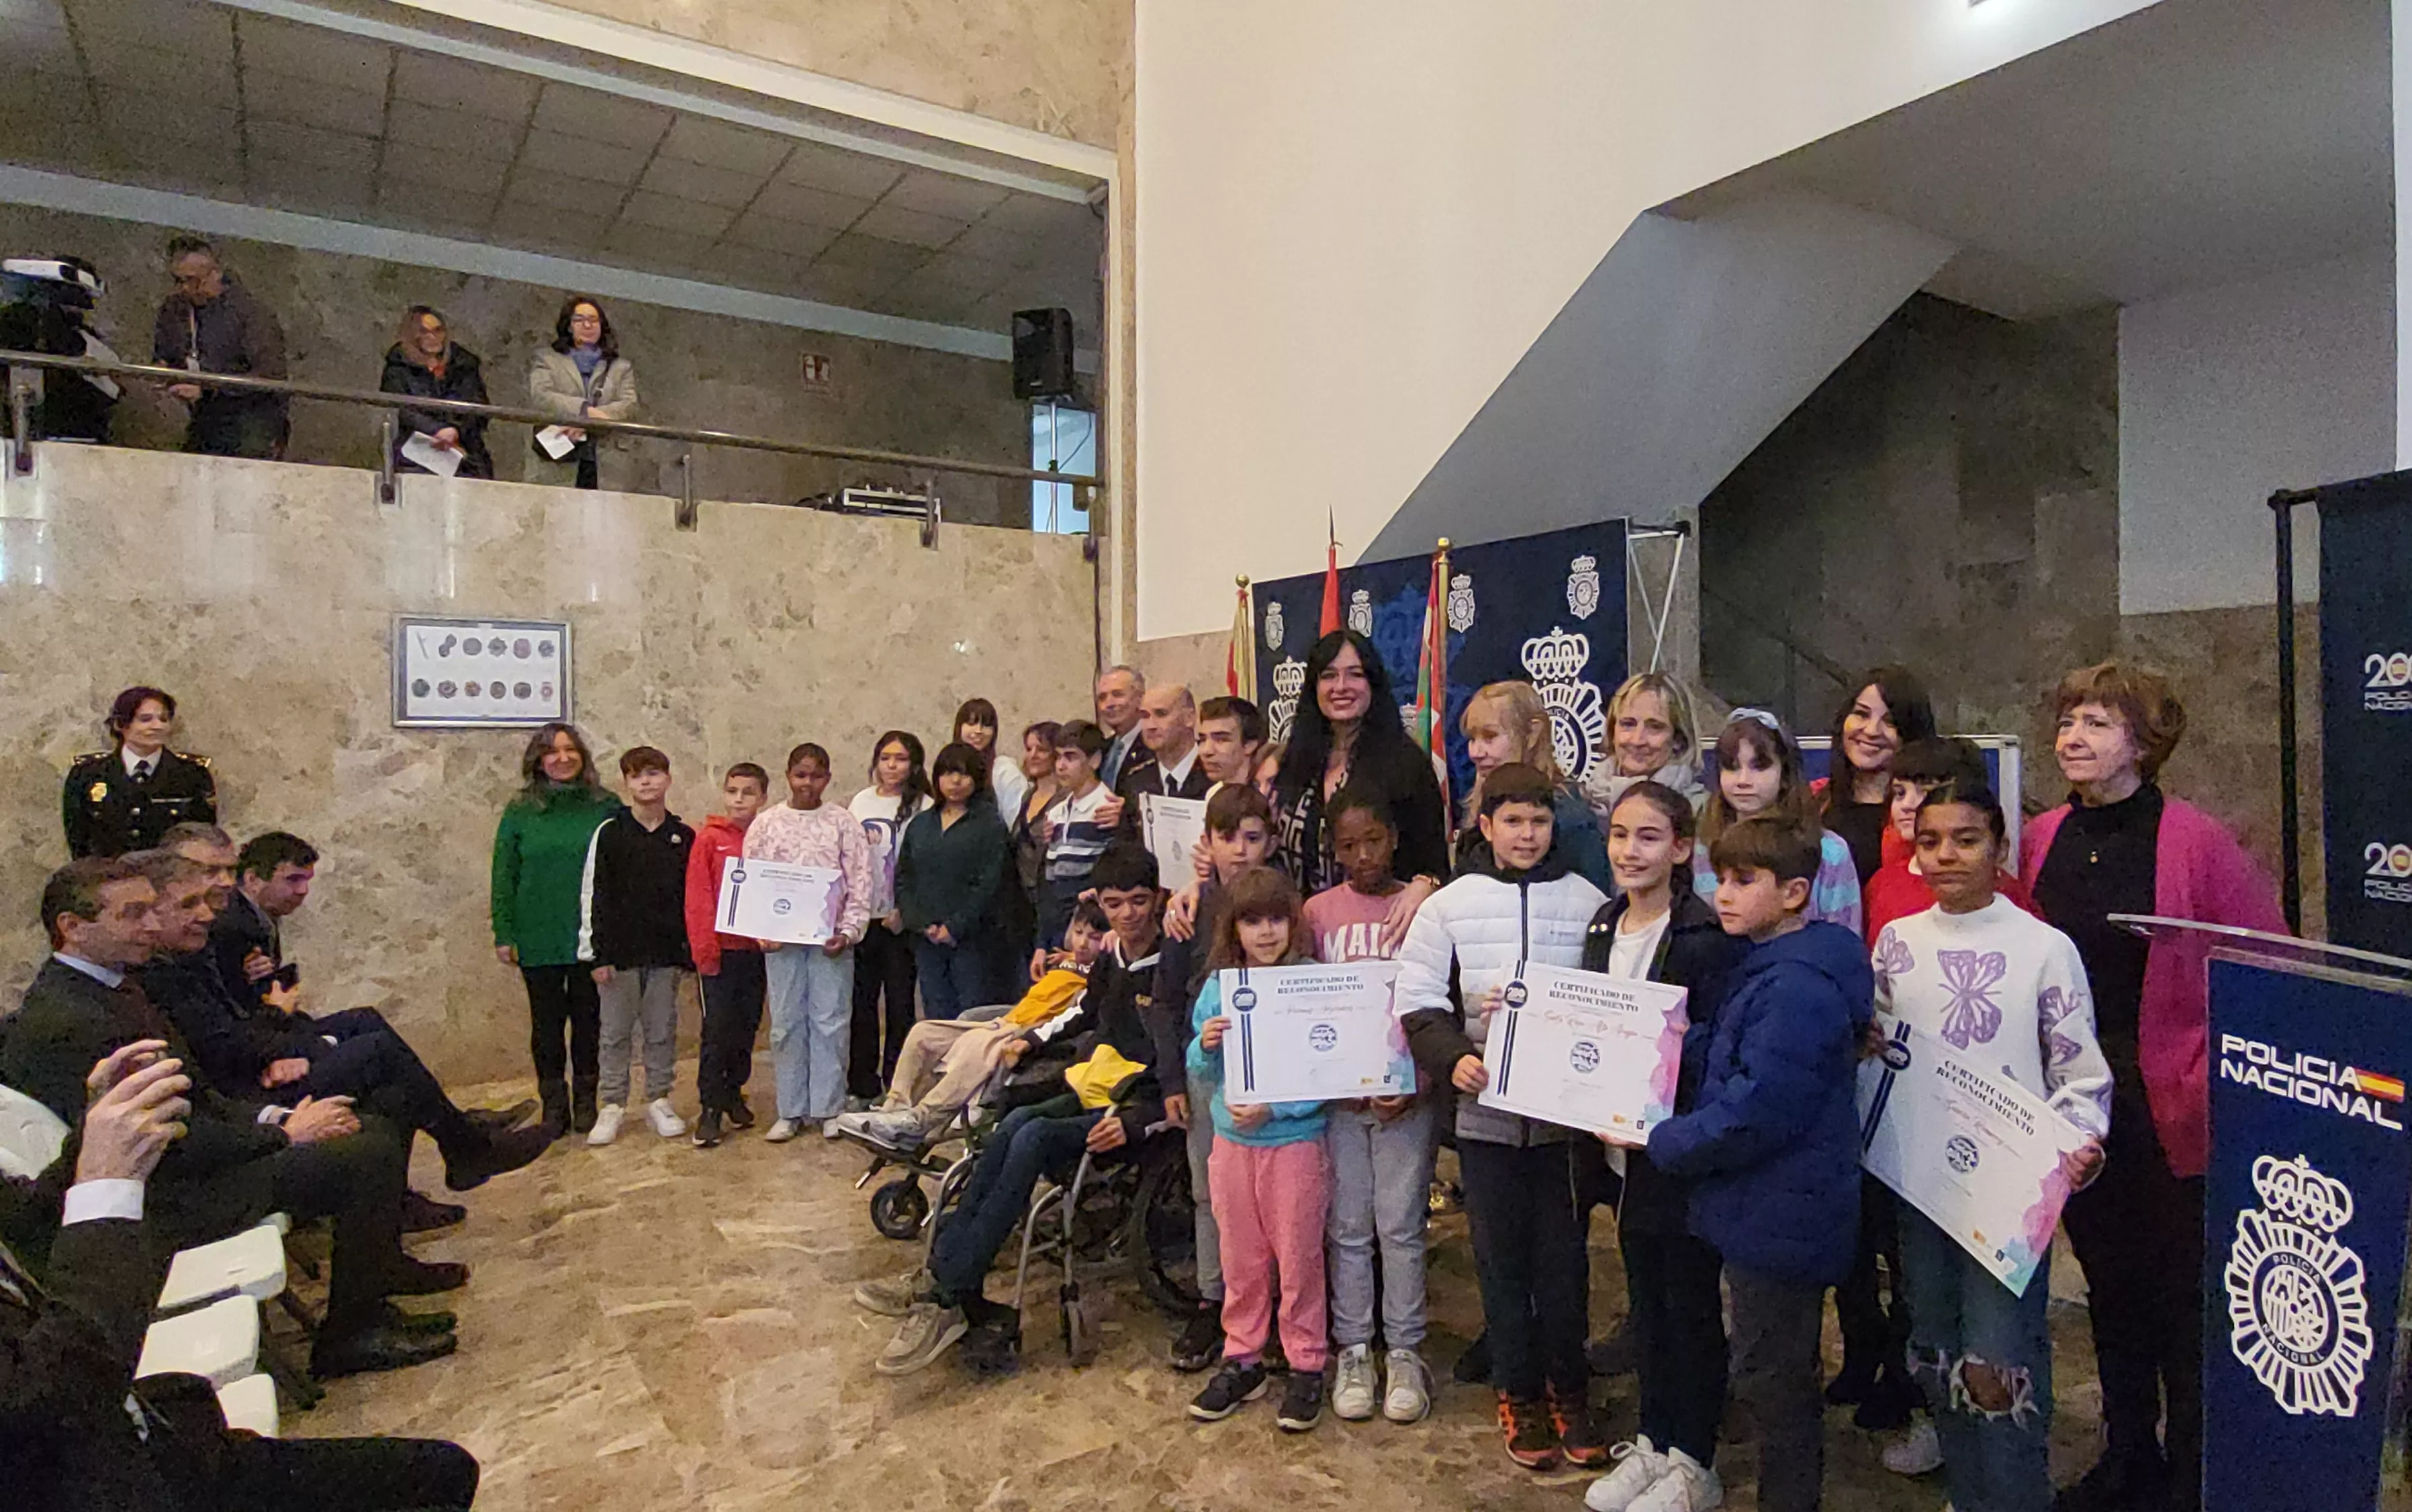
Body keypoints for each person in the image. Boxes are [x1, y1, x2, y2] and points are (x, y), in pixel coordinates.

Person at [0, 857, 459, 1378]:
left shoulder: (110, 987)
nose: (153, 926)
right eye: (133, 914)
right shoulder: (69, 1018)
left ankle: (372, 1288)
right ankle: (351, 1335)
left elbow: (197, 1092)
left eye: (153, 911)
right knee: (363, 1151)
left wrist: (274, 1117)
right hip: (164, 1198)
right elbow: (167, 1137)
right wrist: (281, 1134)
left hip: (185, 1164)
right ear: (72, 927)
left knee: (366, 1123)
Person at [1, 1039, 482, 1511]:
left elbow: (30, 1228)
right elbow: (57, 1402)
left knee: (442, 1470)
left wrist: (94, 1140)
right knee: (429, 1480)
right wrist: (107, 1188)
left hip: (159, 1447)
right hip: (102, 1478)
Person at [2022, 661, 2284, 1512]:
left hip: (2166, 1097)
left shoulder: (2194, 839)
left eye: (2096, 722)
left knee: (2180, 1296)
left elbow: (2267, 960)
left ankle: (2189, 1472)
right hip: (2076, 1097)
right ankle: (2126, 1451)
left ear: (2143, 740)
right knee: (2109, 1283)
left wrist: (2205, 1067)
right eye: (2068, 721)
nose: (2074, 737)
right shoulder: (2041, 836)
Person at [1873, 782, 2111, 1512]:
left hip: (2008, 1191)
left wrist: (2078, 1143)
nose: (1946, 854)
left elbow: (2078, 1072)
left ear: (1999, 848)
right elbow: (1881, 1059)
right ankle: (1968, 1492)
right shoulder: (1897, 943)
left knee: (1996, 1357)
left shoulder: (2043, 949)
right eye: (1931, 839)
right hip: (1921, 1179)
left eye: (1966, 838)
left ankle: (2013, 1495)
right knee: (1934, 1341)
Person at [856, 844, 1170, 1376]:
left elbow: (1189, 1064)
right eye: (1115, 904)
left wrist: (1140, 1118)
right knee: (1012, 1121)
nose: (1128, 915)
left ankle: (947, 1294)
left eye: (1139, 901)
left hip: (1136, 1107)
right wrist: (1030, 1039)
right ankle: (942, 1277)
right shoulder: (1112, 957)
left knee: (1032, 1137)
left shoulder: (1175, 963)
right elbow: (1080, 1015)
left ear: (1159, 899)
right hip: (1096, 1085)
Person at [1645, 815, 1875, 1512]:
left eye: (1746, 881)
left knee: (1774, 1377)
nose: (1724, 894)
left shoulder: (1797, 985)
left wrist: (1667, 1142)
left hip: (1782, 1210)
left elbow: (1758, 1106)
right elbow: (1732, 1053)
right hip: (1765, 1205)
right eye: (1721, 877)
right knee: (1770, 1365)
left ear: (1796, 891)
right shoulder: (1771, 966)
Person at [1396, 763, 1610, 1471]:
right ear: (1484, 826)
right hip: (1486, 1120)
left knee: (1562, 1261)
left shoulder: (1586, 900)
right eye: (1511, 820)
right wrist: (1452, 1054)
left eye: (1539, 820)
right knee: (1499, 1260)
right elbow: (1419, 1000)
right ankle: (1517, 1389)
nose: (1526, 833)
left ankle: (1569, 1389)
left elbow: (1607, 999)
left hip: (1562, 1124)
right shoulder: (1449, 906)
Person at [146, 839, 547, 1204]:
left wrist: (281, 1033)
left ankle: (421, 1185)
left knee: (375, 1047)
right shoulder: (181, 957)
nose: (215, 894)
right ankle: (466, 1146)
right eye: (193, 896)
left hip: (259, 1061)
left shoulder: (193, 948)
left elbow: (234, 1025)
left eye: (223, 874)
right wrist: (288, 1034)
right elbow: (222, 1044)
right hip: (247, 1094)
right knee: (377, 1055)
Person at [1579, 782, 1749, 1512]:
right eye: (1619, 834)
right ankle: (1653, 1439)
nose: (1628, 850)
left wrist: (1659, 1123)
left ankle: (1694, 1460)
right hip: (1619, 1155)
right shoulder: (1602, 924)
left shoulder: (1703, 939)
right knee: (1646, 1299)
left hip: (1674, 1153)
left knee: (1688, 1306)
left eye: (1648, 836)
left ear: (1682, 849)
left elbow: (1712, 1056)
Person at [1185, 866, 1332, 1432]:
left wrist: (1280, 1108)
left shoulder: (1309, 981)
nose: (1266, 932)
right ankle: (1242, 1357)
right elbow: (1199, 1065)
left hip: (1294, 1144)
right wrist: (1206, 1042)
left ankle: (1306, 1365)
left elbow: (1327, 1068)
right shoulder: (1221, 986)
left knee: (1298, 1257)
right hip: (1232, 1144)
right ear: (1235, 929)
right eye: (1253, 921)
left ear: (1292, 923)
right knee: (1240, 1259)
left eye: (1276, 919)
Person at [1306, 791, 1436, 1425]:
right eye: (1349, 845)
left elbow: (1441, 1002)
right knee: (1348, 1227)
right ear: (1333, 851)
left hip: (1405, 1096)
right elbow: (1301, 1007)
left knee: (1402, 1225)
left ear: (1394, 839)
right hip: (1339, 1100)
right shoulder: (1317, 912)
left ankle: (1407, 1350)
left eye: (1375, 841)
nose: (1363, 856)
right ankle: (1354, 1348)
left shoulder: (1424, 906)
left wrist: (1419, 1080)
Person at [1158, 782, 1277, 1374]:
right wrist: (1172, 1079)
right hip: (1208, 1073)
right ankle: (1216, 1299)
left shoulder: (1286, 906)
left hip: (1277, 1077)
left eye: (1252, 838)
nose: (1240, 850)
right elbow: (1164, 1001)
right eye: (1226, 838)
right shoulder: (1191, 910)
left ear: (1271, 842)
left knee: (1272, 1199)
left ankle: (1273, 1308)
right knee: (1211, 1195)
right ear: (1206, 843)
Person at [835, 899, 1106, 1150]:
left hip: (1024, 1033)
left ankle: (921, 1119)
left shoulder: (1100, 976)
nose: (1083, 943)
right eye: (1079, 933)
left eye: (1094, 938)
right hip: (1002, 1021)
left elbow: (1071, 1018)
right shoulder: (1068, 960)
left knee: (977, 1043)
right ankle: (894, 1110)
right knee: (923, 1033)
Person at [1269, 630, 1450, 940]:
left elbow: (1434, 864)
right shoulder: (1292, 762)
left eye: (1355, 675)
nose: (1341, 687)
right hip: (1298, 938)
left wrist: (1425, 884)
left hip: (1381, 935)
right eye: (1329, 676)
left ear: (1373, 684)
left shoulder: (1406, 764)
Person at [491, 721, 622, 1137]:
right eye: (553, 751)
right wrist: (504, 932)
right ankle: (554, 1106)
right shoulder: (520, 809)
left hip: (589, 935)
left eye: (571, 750)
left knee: (589, 1023)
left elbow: (623, 870)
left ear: (582, 756)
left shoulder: (606, 805)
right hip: (537, 932)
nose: (562, 758)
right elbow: (504, 872)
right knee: (546, 1026)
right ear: (539, 760)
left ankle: (587, 1101)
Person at [744, 743, 875, 1143]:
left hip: (829, 942)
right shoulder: (766, 825)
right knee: (785, 1025)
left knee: (830, 1021)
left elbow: (861, 883)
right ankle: (791, 1109)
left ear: (827, 779)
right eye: (800, 775)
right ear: (788, 776)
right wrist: (760, 931)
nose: (807, 783)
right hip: (782, 945)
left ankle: (829, 1108)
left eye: (816, 776)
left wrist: (849, 931)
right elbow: (753, 882)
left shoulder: (843, 824)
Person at [577, 745, 696, 1146]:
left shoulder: (683, 837)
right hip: (618, 958)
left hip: (665, 956)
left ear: (668, 779)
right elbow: (595, 894)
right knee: (614, 1033)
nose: (646, 782)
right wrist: (595, 954)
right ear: (626, 783)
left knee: (661, 1030)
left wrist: (688, 950)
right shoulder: (610, 833)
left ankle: (659, 1099)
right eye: (637, 775)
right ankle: (612, 1105)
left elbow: (692, 899)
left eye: (654, 774)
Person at [1695, 708, 1861, 933]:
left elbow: (1845, 939)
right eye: (1732, 767)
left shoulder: (1830, 851)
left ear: (1785, 774)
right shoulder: (1703, 846)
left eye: (1759, 766)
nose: (1743, 781)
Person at [1861, 737, 2038, 944]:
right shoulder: (1882, 883)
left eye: (1926, 793)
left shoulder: (2001, 890)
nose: (1907, 805)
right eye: (1899, 793)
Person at [684, 762, 770, 1149]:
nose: (739, 799)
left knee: (746, 1028)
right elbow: (698, 898)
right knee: (716, 1031)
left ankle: (735, 1092)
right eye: (733, 791)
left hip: (758, 952)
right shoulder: (708, 839)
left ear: (763, 798)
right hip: (720, 953)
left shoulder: (769, 836)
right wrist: (706, 951)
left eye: (748, 792)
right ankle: (710, 1109)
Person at [1456, 679, 1612, 892]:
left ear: (1532, 734)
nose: (1475, 753)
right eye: (1472, 739)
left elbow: (1596, 899)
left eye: (1490, 736)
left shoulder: (1570, 817)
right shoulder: (1475, 805)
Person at [895, 742, 1011, 1021]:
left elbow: (990, 883)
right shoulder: (921, 824)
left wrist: (955, 927)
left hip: (973, 941)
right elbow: (904, 878)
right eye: (948, 773)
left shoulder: (990, 825)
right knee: (936, 1017)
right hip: (927, 941)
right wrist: (921, 924)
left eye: (964, 774)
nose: (956, 781)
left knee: (971, 1018)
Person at [847, 732, 931, 1104]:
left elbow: (925, 868)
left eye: (900, 759)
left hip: (901, 923)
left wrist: (907, 910)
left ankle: (896, 1084)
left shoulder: (925, 806)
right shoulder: (861, 802)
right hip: (865, 919)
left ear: (914, 764)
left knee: (900, 1005)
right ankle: (861, 1084)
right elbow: (849, 859)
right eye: (885, 758)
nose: (892, 766)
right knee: (862, 1003)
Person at [150, 235, 287, 459]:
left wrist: (208, 387)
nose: (185, 289)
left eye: (194, 281)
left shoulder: (251, 313)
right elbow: (164, 353)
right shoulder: (173, 310)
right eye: (178, 280)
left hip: (250, 421)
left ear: (216, 274)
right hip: (203, 419)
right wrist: (163, 372)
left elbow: (271, 375)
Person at [1818, 667, 1939, 889]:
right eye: (1861, 714)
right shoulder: (1813, 799)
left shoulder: (1933, 809)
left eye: (1890, 722)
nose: (1872, 730)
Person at [62, 686, 216, 859]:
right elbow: (78, 840)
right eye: (145, 719)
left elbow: (203, 838)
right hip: (109, 880)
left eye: (164, 719)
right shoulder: (87, 775)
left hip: (170, 880)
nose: (157, 726)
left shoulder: (192, 775)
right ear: (120, 724)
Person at [527, 294, 640, 492]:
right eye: (580, 320)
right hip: (559, 463)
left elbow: (629, 405)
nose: (587, 325)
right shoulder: (547, 359)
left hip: (608, 466)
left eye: (594, 320)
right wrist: (583, 411)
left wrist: (589, 422)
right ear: (569, 326)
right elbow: (542, 396)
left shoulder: (621, 367)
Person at [1033, 720, 1115, 970]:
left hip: (1090, 933)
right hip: (1058, 929)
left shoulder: (1108, 807)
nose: (1061, 765)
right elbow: (1050, 885)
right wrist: (1041, 944)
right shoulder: (1057, 812)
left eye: (1071, 757)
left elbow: (1106, 880)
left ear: (1095, 761)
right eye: (1058, 757)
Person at [379, 303, 492, 479]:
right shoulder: (398, 368)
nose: (433, 337)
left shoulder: (463, 364)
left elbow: (478, 404)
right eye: (424, 332)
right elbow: (401, 409)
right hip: (417, 451)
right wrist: (437, 430)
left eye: (438, 330)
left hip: (464, 449)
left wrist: (455, 430)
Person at [1581, 671, 1709, 824]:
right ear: (1612, 730)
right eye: (1628, 724)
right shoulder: (1582, 804)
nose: (1637, 740)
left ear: (1678, 739)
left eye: (1655, 727)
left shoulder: (1705, 815)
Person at [999, 720, 1061, 989]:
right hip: (1022, 905)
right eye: (1029, 748)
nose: (1033, 755)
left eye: (1041, 749)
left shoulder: (1066, 799)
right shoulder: (1028, 795)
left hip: (1050, 902)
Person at [1109, 682, 1210, 843]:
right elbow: (1125, 848)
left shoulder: (1212, 774)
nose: (1150, 726)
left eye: (1161, 714)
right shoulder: (1136, 780)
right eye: (1144, 716)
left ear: (1189, 718)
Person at [953, 697, 1025, 820]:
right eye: (971, 723)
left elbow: (1015, 821)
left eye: (986, 725)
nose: (978, 731)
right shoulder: (948, 768)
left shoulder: (1004, 770)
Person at [1197, 695, 1268, 796]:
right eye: (1203, 740)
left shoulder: (1270, 798)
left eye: (1221, 740)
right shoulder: (1213, 793)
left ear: (1249, 745)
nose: (1207, 751)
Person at [1095, 665, 1147, 790]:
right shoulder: (1100, 750)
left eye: (1118, 695)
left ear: (1140, 699)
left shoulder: (1154, 746)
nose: (1109, 704)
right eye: (1102, 698)